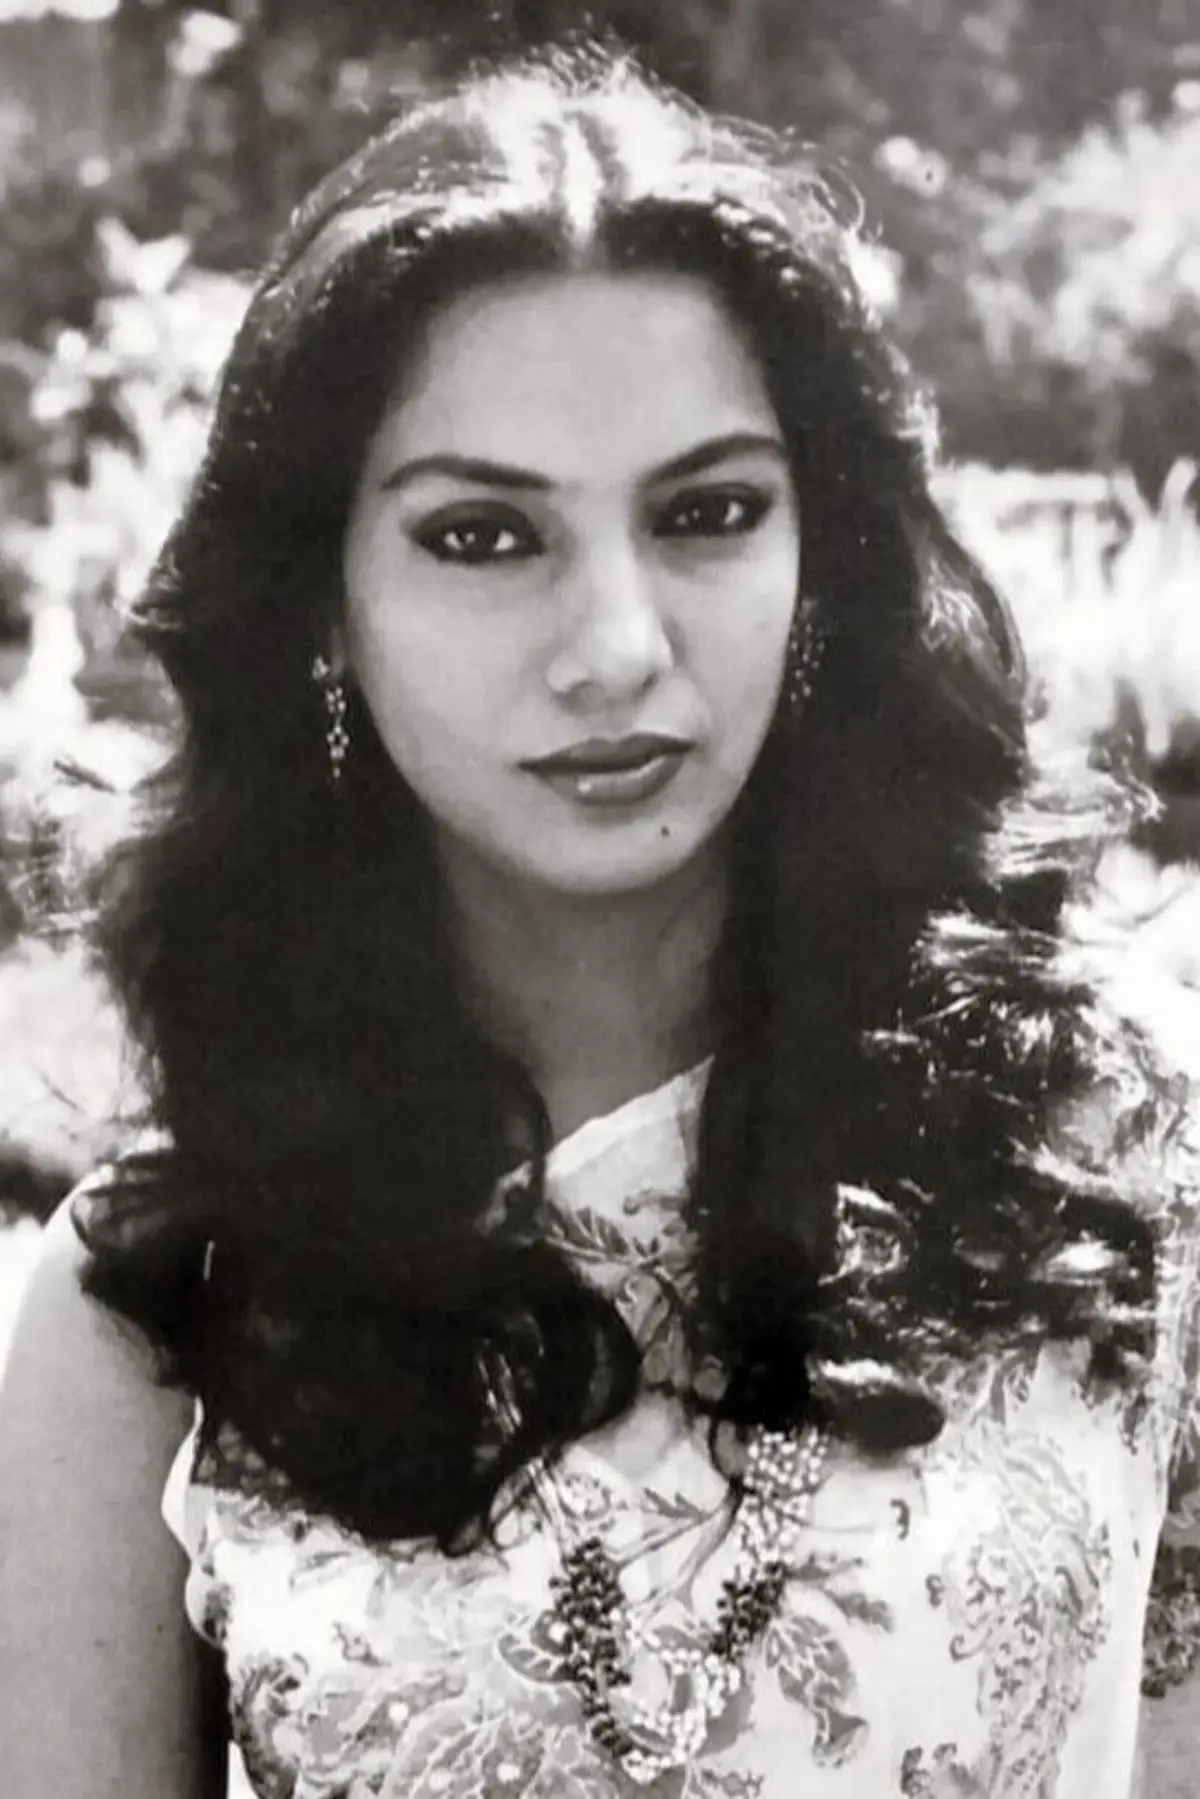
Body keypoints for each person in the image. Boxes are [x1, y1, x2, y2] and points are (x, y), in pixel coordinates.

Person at [1, 47, 1197, 1799]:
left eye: (708, 513)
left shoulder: (1111, 1151)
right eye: (483, 536)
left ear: (821, 555)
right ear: (322, 598)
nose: (618, 646)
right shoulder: (166, 1298)